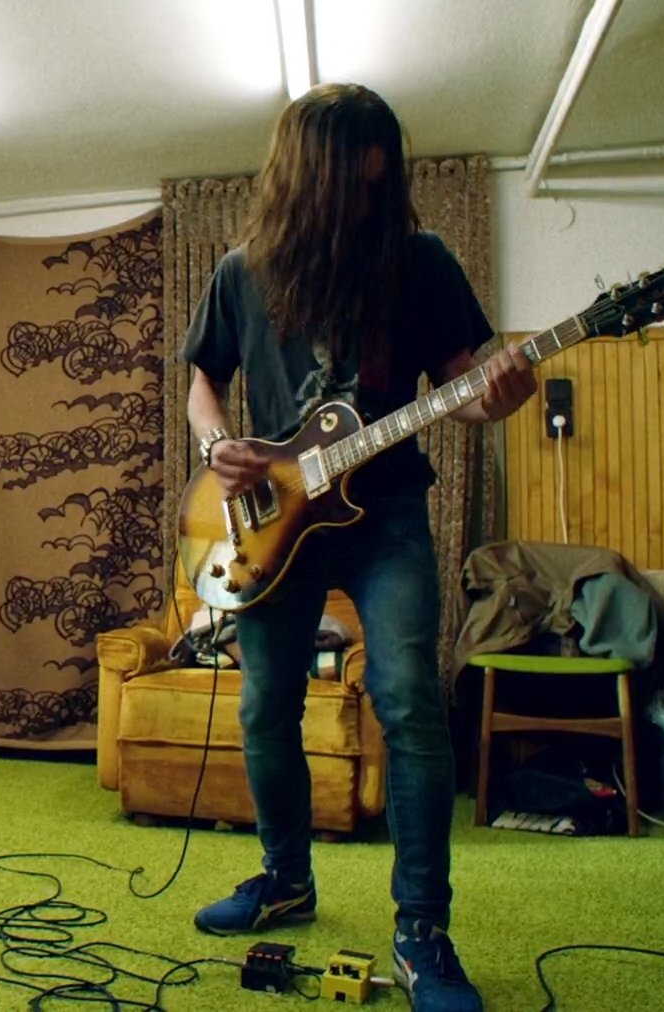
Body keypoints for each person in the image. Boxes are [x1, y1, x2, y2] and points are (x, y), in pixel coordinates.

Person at [180, 84, 535, 1012]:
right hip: (274, 521)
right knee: (265, 707)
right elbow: (202, 381)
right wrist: (215, 447)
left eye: (381, 185)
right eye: (352, 185)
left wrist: (500, 395)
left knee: (410, 699)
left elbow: (464, 384)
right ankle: (284, 881)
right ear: (306, 177)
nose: (368, 202)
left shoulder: (419, 261)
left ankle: (421, 928)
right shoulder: (241, 272)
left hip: (388, 515)